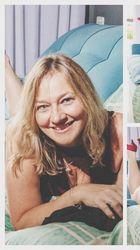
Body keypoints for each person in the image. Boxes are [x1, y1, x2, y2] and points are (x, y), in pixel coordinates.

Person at [5, 54, 123, 230]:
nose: (57, 117)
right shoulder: (23, 137)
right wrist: (76, 195)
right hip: (23, 128)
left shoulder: (117, 130)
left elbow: (120, 208)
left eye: (67, 100)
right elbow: (22, 221)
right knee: (18, 117)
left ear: (86, 96)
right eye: (42, 107)